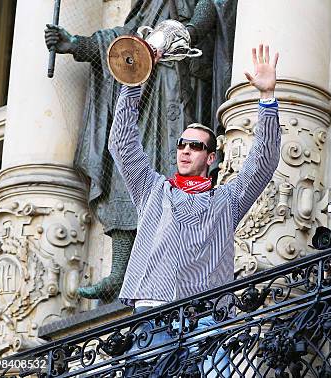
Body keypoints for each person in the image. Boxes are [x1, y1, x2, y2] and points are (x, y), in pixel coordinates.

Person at [44, 0, 237, 300]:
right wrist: (77, 44)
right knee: (126, 173)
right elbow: (125, 39)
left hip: (180, 88)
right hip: (146, 94)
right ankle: (121, 271)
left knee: (179, 172)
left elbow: (208, 12)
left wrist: (181, 35)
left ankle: (179, 264)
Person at [111, 44, 280, 376]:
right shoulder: (152, 189)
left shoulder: (226, 200)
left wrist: (268, 98)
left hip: (205, 315)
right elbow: (122, 144)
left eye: (196, 146)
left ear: (211, 157)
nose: (186, 151)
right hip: (152, 312)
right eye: (181, 144)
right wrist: (135, 79)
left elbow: (263, 161)